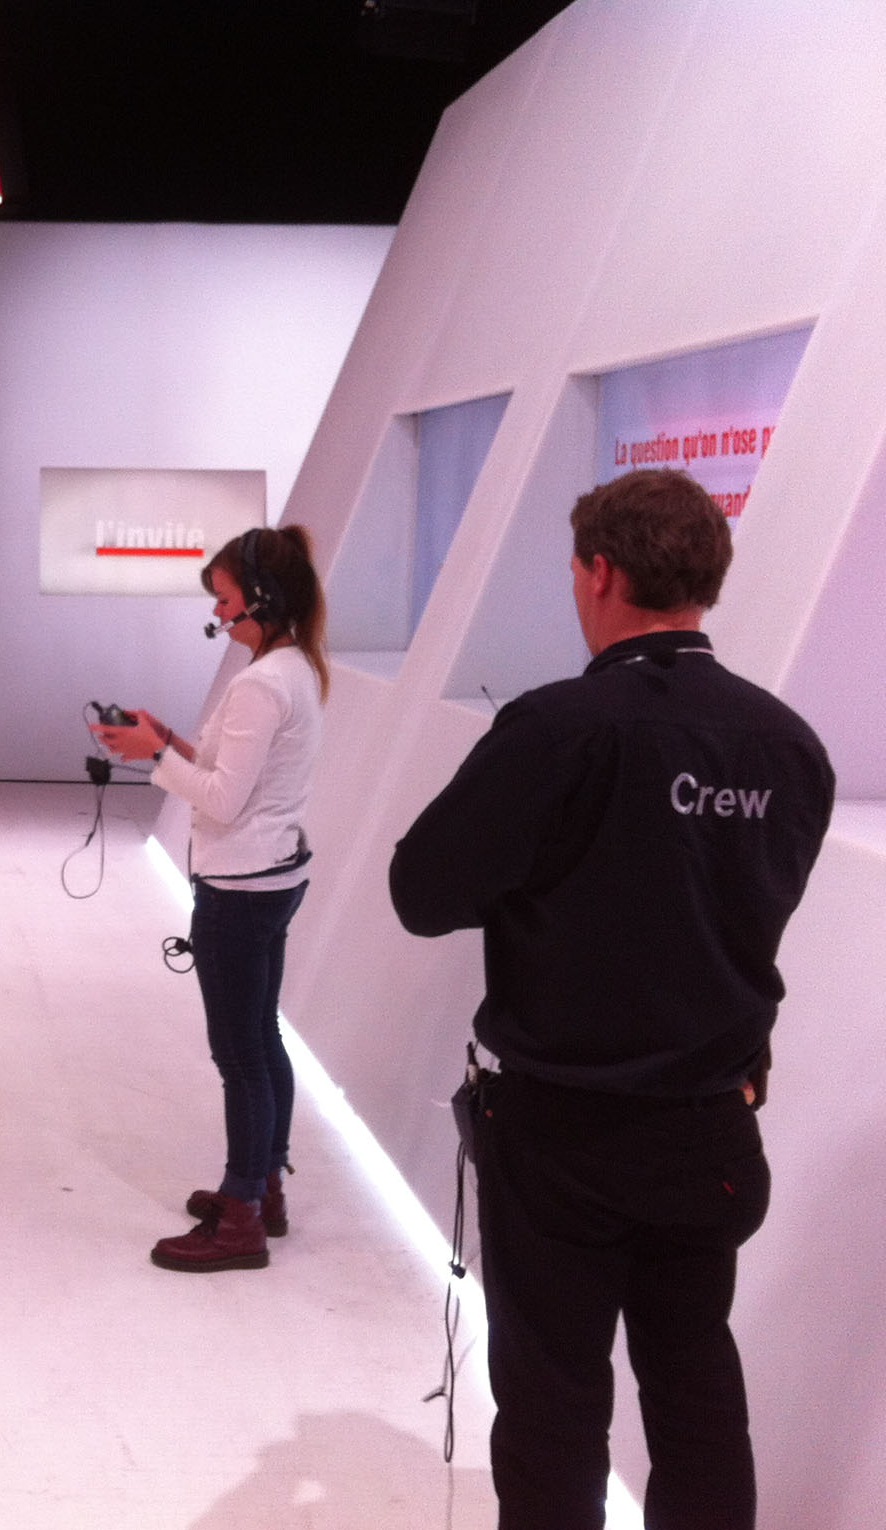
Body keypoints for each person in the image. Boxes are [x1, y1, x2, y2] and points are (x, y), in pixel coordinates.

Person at [388, 469, 834, 1530]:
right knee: (695, 1390)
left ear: (598, 571)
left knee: (552, 1400)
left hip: (563, 1132)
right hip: (710, 1128)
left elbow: (422, 892)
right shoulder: (787, 745)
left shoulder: (559, 728)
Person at [92, 525, 328, 1273]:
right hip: (272, 878)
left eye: (225, 600)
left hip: (239, 890)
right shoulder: (293, 668)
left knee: (240, 1055)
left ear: (261, 597)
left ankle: (241, 1216)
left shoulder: (261, 684)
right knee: (261, 1039)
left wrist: (156, 756)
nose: (219, 615)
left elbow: (223, 801)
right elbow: (236, 776)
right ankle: (262, 1186)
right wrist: (168, 742)